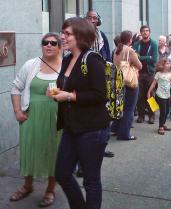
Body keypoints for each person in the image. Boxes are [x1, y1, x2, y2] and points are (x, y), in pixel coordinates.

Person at [50, 17, 110, 209]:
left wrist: (68, 96)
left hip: (92, 129)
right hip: (72, 127)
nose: (62, 37)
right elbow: (67, 87)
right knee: (62, 173)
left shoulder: (93, 60)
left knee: (91, 181)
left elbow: (101, 95)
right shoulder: (67, 59)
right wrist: (57, 93)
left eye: (67, 33)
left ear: (80, 35)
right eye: (63, 32)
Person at [10, 33, 62, 207]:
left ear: (59, 47)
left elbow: (69, 92)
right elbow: (16, 87)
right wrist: (17, 111)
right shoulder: (31, 65)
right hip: (30, 116)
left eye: (53, 43)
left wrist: (57, 95)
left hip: (55, 118)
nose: (48, 45)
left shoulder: (65, 67)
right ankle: (27, 185)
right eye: (45, 42)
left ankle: (50, 189)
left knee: (52, 151)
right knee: (30, 149)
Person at [86, 9, 114, 158]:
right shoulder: (81, 34)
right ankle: (84, 158)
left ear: (98, 21)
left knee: (105, 114)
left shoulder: (102, 36)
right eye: (89, 17)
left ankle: (102, 147)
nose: (92, 20)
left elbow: (108, 55)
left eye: (94, 18)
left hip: (102, 78)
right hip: (85, 79)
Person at [111, 30, 142, 140]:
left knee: (120, 107)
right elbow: (140, 66)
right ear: (130, 39)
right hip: (129, 82)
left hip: (118, 81)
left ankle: (115, 128)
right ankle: (124, 134)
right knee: (129, 108)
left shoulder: (116, 50)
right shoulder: (129, 50)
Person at [133, 25, 158, 124]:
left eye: (147, 31)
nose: (145, 32)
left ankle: (152, 116)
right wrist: (148, 57)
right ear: (141, 33)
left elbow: (154, 59)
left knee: (151, 95)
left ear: (149, 32)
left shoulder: (154, 44)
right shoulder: (137, 44)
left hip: (150, 73)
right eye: (143, 31)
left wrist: (142, 57)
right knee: (140, 95)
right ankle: (141, 115)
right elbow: (135, 57)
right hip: (139, 73)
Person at [147, 58, 171, 135]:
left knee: (167, 111)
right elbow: (153, 84)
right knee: (163, 112)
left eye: (169, 63)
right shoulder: (158, 74)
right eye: (167, 63)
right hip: (160, 95)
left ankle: (163, 123)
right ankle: (160, 127)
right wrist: (149, 92)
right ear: (162, 65)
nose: (168, 65)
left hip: (167, 96)